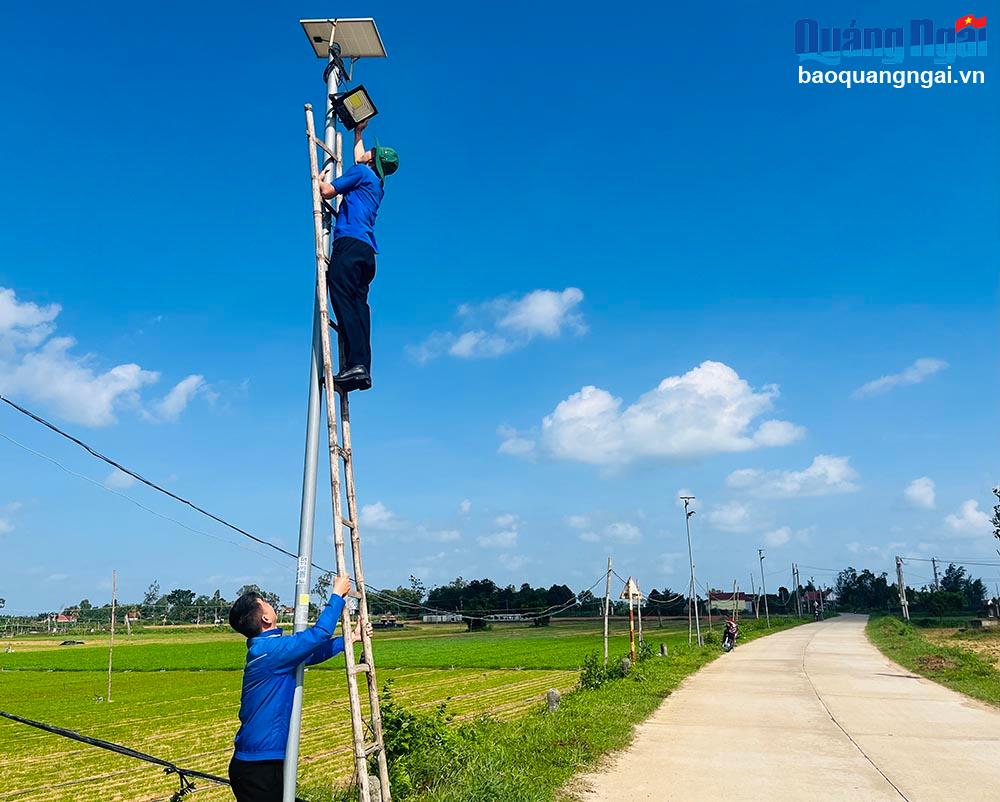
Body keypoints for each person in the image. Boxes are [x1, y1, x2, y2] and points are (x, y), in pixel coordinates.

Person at [227, 577, 369, 802]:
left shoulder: (272, 648)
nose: (269, 603)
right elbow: (318, 635)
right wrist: (337, 596)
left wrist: (350, 639)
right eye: (264, 601)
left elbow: (311, 653)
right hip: (257, 766)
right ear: (265, 617)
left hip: (264, 762)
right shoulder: (268, 650)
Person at [319, 120, 399, 392]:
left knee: (341, 295)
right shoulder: (376, 184)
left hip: (349, 245)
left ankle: (355, 365)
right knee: (359, 306)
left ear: (372, 160)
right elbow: (360, 158)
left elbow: (327, 192)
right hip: (367, 254)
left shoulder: (361, 175)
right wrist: (358, 133)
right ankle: (361, 366)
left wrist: (319, 181)